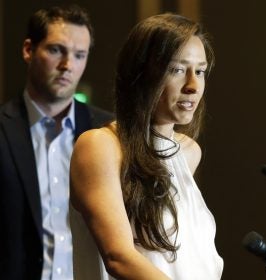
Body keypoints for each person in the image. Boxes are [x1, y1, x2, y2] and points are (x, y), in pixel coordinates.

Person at [70, 12, 223, 280]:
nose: (193, 85)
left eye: (200, 71)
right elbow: (119, 257)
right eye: (177, 70)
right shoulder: (100, 146)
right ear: (142, 73)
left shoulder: (188, 152)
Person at [0, 5, 113, 280]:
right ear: (29, 50)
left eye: (79, 55)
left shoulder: (110, 132)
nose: (68, 65)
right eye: (56, 50)